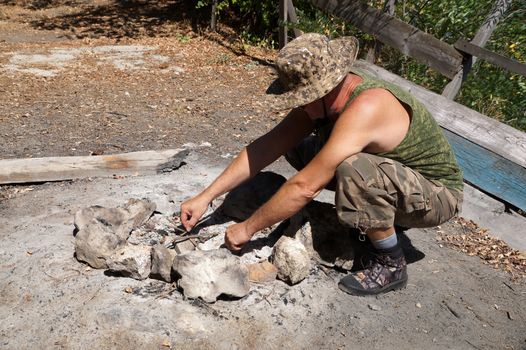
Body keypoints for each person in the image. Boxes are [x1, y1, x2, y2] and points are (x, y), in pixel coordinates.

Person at [180, 33, 463, 296]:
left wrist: (248, 228)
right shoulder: (326, 100)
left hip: (437, 196)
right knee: (300, 148)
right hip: (400, 181)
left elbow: (305, 187)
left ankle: (391, 262)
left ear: (322, 91)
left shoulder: (366, 106)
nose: (298, 106)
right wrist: (206, 196)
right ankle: (375, 218)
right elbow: (265, 147)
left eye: (302, 100)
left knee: (354, 169)